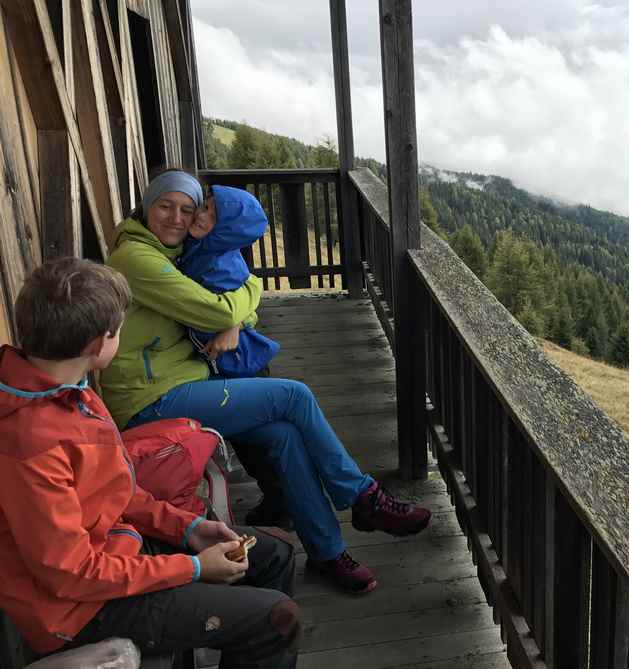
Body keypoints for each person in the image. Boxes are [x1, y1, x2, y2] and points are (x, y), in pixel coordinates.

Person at [100, 169, 430, 594]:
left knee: (285, 437)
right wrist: (237, 308)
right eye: (165, 206)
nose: (177, 218)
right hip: (150, 401)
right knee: (294, 396)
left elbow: (237, 299)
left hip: (186, 384)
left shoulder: (177, 251)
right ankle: (363, 497)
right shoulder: (136, 259)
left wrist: (236, 316)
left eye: (188, 209)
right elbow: (221, 309)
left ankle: (328, 551)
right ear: (147, 207)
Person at [0, 258, 300, 668]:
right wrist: (192, 568)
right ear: (96, 345)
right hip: (78, 610)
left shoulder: (67, 389)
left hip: (118, 549)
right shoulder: (29, 440)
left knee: (275, 552)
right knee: (275, 619)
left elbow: (117, 491)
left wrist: (188, 527)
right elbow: (69, 574)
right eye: (119, 328)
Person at [179, 183, 280, 378]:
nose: (201, 215)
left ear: (226, 232)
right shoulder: (201, 246)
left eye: (213, 218)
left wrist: (233, 325)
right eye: (206, 207)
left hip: (234, 359)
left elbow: (223, 312)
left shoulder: (221, 267)